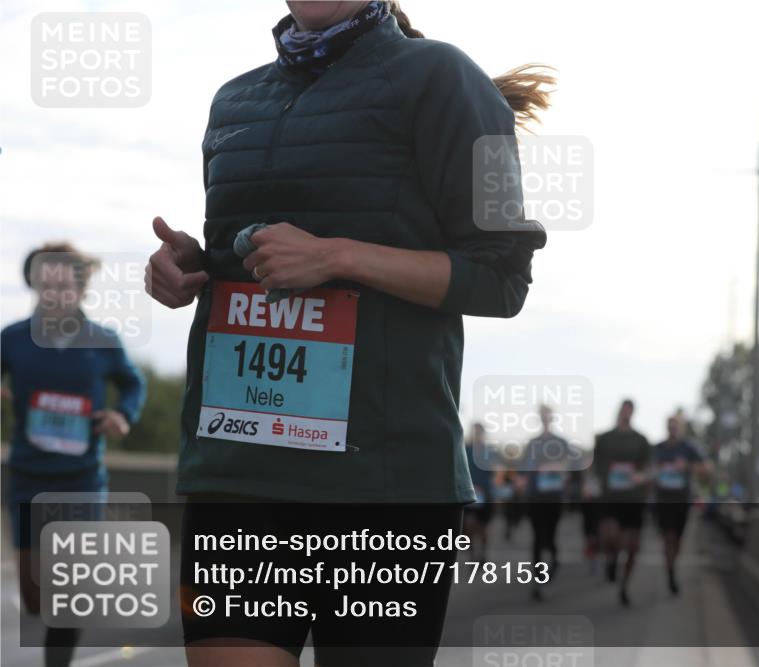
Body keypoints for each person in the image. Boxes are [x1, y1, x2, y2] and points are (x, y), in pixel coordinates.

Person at [143, 2, 551, 665]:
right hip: (238, 472)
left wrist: (338, 257)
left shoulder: (445, 77)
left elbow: (503, 277)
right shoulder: (233, 100)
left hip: (384, 486)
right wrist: (194, 264)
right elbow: (247, 257)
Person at [2, 242, 146, 667]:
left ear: (81, 290)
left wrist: (123, 414)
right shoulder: (12, 339)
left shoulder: (102, 341)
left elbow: (133, 385)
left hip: (82, 479)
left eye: (63, 286)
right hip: (29, 476)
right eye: (45, 285)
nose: (54, 295)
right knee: (35, 598)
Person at [591, 399, 651, 606]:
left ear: (633, 413)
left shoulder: (641, 440)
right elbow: (594, 467)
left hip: (633, 499)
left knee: (633, 546)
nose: (626, 414)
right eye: (623, 411)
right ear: (619, 412)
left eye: (629, 411)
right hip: (610, 497)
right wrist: (591, 484)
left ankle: (624, 584)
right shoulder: (605, 439)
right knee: (610, 536)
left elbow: (649, 468)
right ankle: (611, 558)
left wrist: (642, 477)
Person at [652, 412, 711, 595]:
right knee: (668, 537)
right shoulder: (658, 448)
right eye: (669, 425)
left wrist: (687, 466)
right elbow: (647, 469)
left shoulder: (689, 448)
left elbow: (707, 468)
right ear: (666, 427)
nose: (672, 428)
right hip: (663, 500)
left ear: (680, 427)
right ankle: (670, 572)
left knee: (677, 539)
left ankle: (672, 562)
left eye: (675, 425)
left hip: (682, 501)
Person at [518, 405, 571, 601]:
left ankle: (555, 560)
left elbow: (568, 467)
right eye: (542, 415)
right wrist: (521, 483)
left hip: (554, 498)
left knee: (550, 536)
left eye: (547, 415)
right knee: (537, 537)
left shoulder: (561, 443)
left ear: (552, 417)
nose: (544, 418)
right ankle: (537, 579)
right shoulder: (532, 443)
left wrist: (554, 468)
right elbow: (524, 470)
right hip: (535, 497)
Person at [463, 423, 495, 561]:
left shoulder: (488, 451)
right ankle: (472, 556)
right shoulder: (465, 449)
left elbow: (491, 472)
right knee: (469, 526)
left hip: (484, 493)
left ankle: (482, 553)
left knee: (482, 527)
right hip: (470, 493)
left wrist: (483, 486)